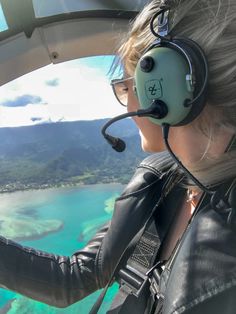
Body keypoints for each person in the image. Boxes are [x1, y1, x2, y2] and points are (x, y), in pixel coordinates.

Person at [0, 0, 236, 313]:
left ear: (162, 93)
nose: (126, 107)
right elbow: (74, 277)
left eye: (128, 86)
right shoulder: (162, 183)